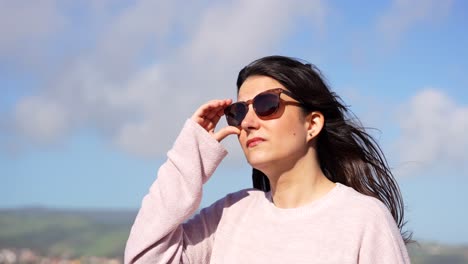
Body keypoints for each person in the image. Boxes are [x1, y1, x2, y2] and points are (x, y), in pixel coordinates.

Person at [124, 55, 412, 264]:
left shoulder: (363, 219)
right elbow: (145, 257)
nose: (248, 122)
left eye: (267, 105)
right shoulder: (230, 214)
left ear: (312, 124)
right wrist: (192, 150)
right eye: (238, 111)